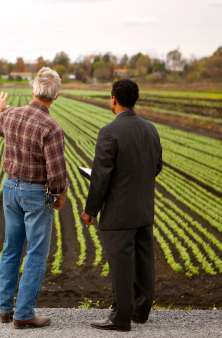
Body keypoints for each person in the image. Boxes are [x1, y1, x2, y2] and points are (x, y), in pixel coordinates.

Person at [0, 67, 68, 329]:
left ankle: (4, 309)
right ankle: (23, 314)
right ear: (56, 97)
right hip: (35, 193)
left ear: (33, 90)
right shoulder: (51, 127)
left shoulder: (12, 115)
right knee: (35, 252)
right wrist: (60, 193)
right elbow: (56, 171)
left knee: (11, 247)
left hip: (10, 188)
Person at [81, 79, 163, 332]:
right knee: (143, 262)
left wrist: (90, 210)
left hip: (118, 213)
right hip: (143, 209)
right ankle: (140, 312)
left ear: (113, 99)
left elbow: (101, 177)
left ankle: (121, 318)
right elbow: (156, 166)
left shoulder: (109, 132)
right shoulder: (151, 129)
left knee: (120, 265)